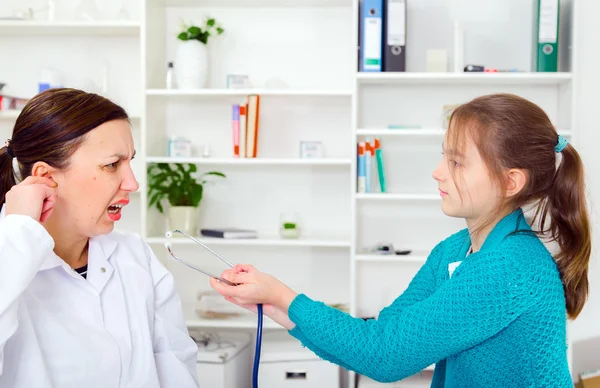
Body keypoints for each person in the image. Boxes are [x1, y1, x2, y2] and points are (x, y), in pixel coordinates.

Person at [211, 93, 591, 387]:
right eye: (444, 157)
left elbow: (385, 353)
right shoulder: (454, 250)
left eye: (457, 162)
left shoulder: (511, 267)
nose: (438, 172)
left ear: (511, 181)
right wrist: (275, 305)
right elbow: (384, 335)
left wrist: (283, 296)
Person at [0, 88, 199, 388]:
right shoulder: (9, 258)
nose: (132, 183)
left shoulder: (135, 256)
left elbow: (176, 367)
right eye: (111, 165)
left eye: (130, 162)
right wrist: (18, 235)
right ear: (45, 177)